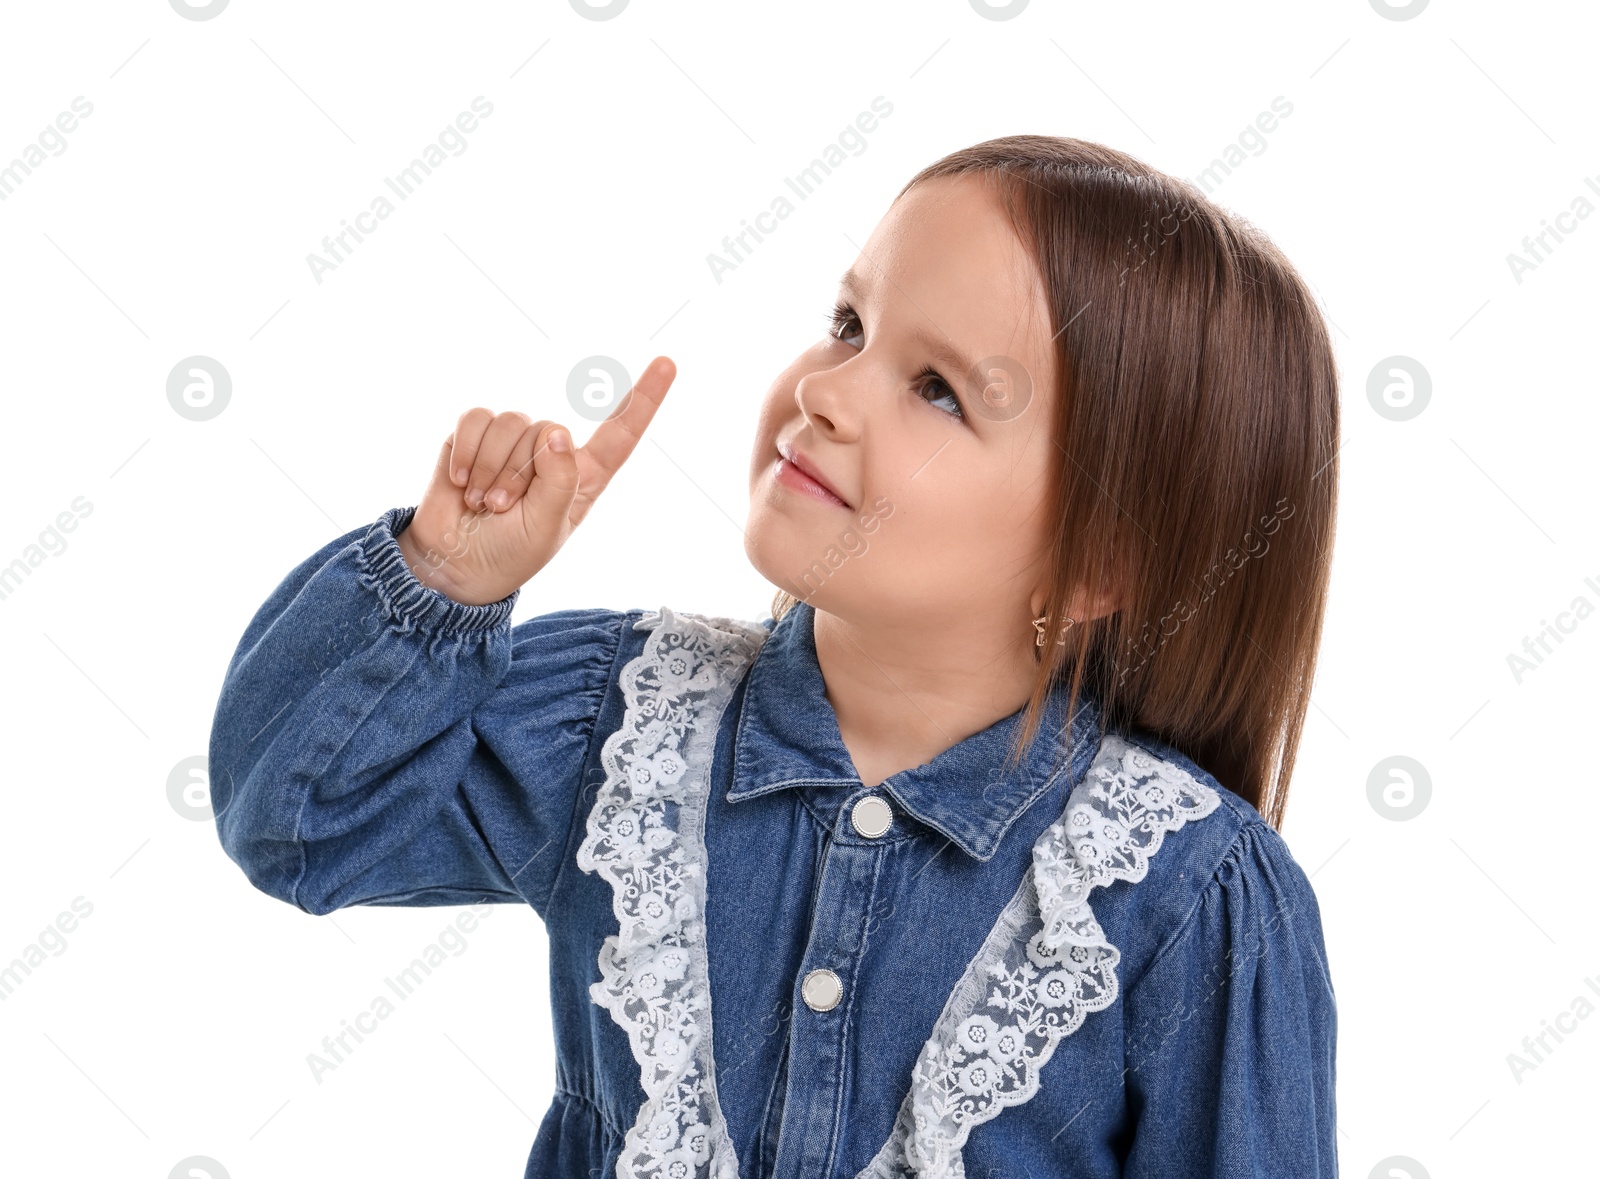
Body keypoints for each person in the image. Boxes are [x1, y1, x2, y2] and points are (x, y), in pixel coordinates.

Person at [209, 134, 1340, 1178]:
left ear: (1098, 563)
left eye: (938, 389)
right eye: (849, 327)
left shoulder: (1184, 896)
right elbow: (301, 827)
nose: (823, 391)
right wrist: (444, 583)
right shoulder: (618, 723)